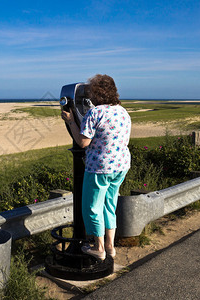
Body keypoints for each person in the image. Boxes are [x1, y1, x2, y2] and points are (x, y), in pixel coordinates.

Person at [61, 74, 131, 260]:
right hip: (120, 166)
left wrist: (70, 120)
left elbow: (83, 142)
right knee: (110, 205)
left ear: (97, 93)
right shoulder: (122, 111)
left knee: (92, 207)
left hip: (100, 167)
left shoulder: (95, 113)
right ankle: (110, 246)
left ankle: (98, 248)